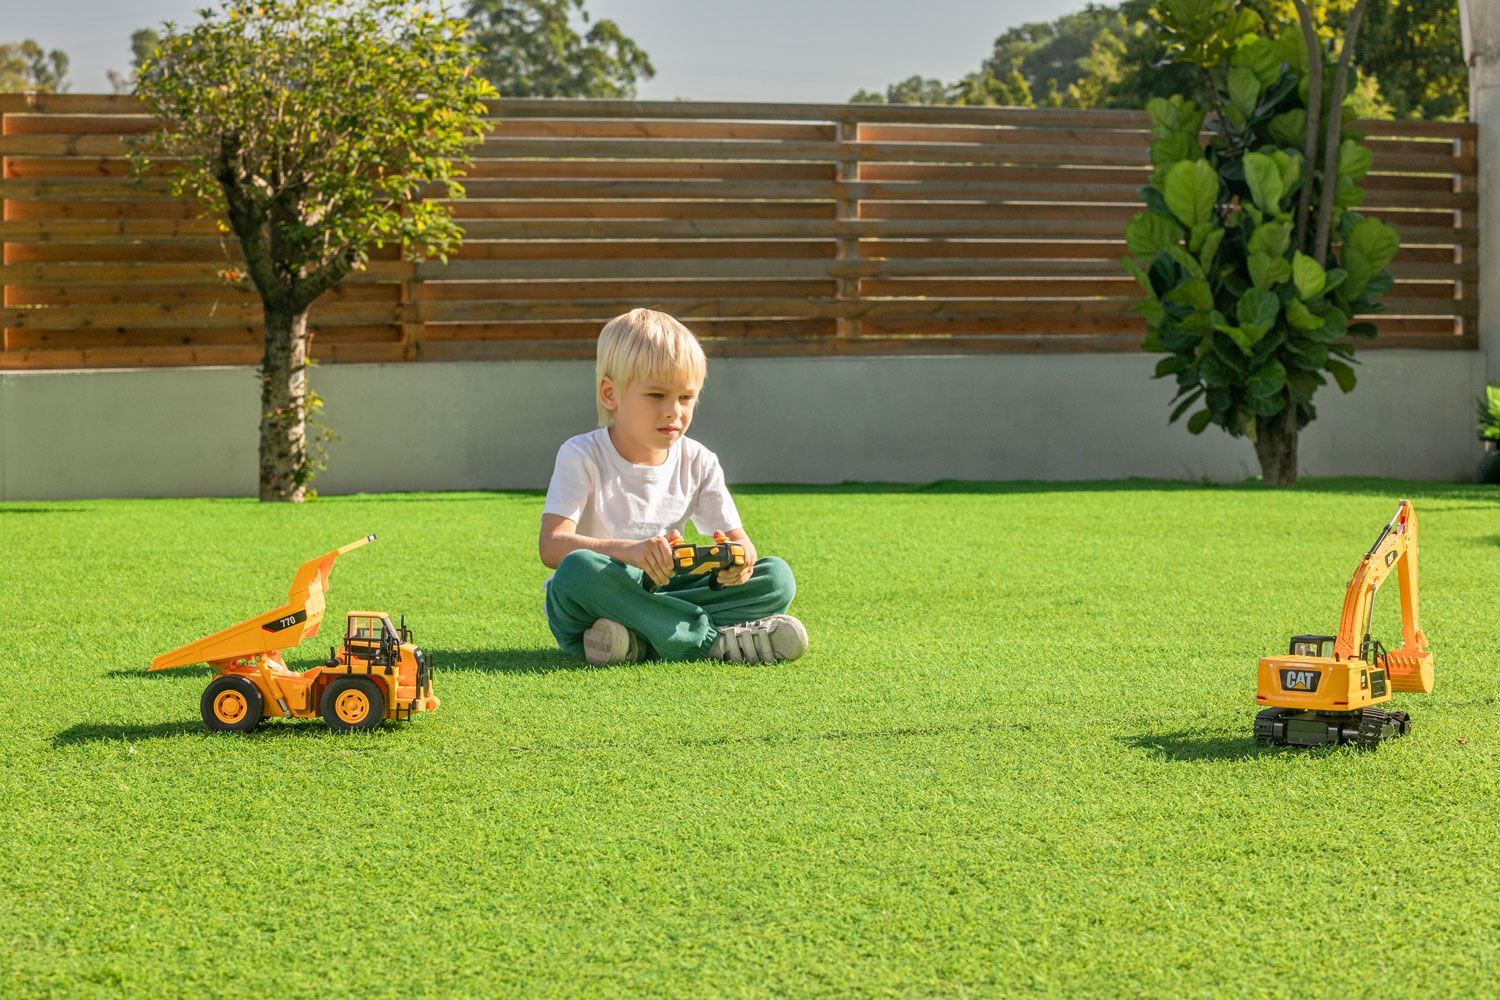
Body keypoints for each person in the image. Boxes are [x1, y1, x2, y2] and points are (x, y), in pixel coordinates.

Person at [538, 308, 807, 665]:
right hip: (599, 595)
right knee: (576, 571)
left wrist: (738, 563)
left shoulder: (699, 460)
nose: (674, 411)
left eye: (685, 397)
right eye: (656, 395)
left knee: (777, 578)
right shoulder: (581, 454)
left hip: (667, 591)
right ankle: (708, 642)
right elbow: (552, 546)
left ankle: (634, 641)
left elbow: (739, 541)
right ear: (610, 393)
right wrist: (632, 552)